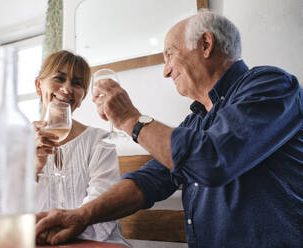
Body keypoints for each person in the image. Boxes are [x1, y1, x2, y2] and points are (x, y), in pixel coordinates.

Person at [35, 11, 303, 248]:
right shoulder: (195, 121)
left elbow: (214, 159)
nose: (165, 71)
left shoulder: (272, 85)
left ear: (206, 44)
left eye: (169, 55)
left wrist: (130, 118)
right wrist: (82, 216)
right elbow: (149, 181)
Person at [33, 50, 130, 247]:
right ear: (38, 86)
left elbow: (102, 210)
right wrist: (34, 168)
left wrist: (59, 232)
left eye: (77, 83)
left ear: (83, 96)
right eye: (59, 78)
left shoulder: (99, 141)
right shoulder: (18, 142)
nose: (67, 89)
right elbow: (7, 213)